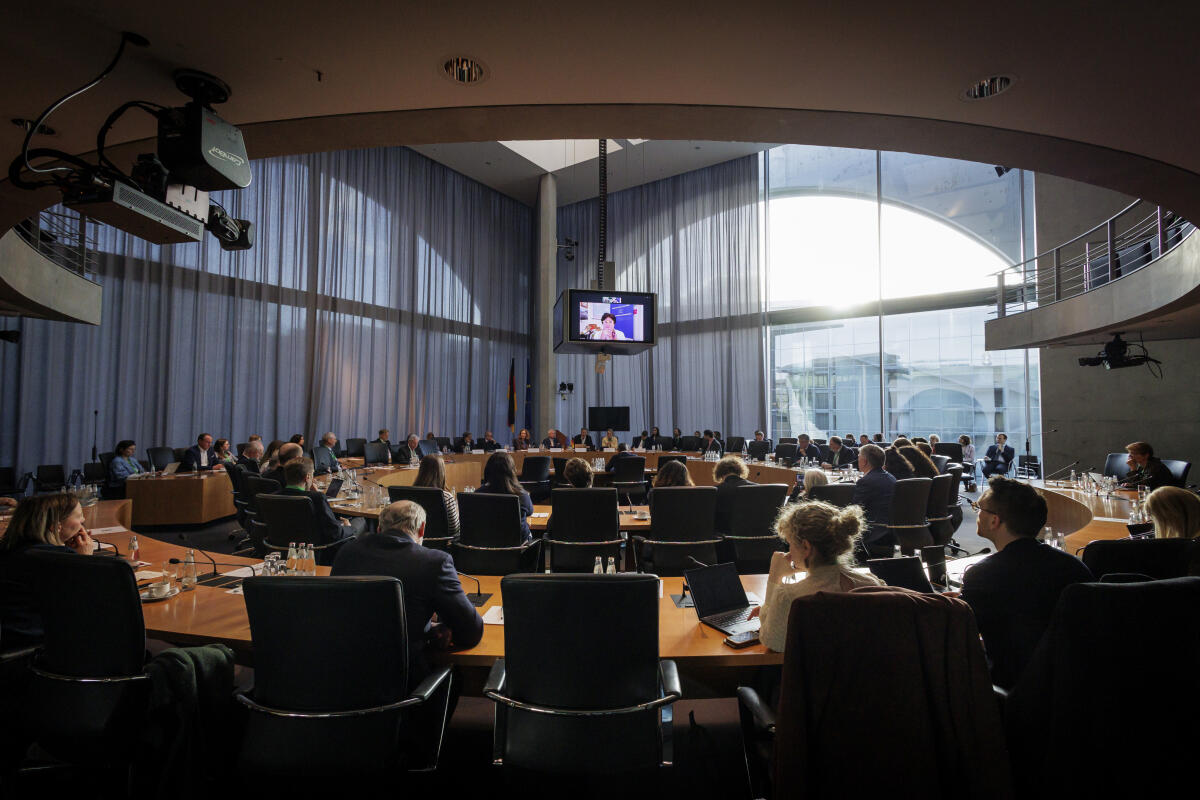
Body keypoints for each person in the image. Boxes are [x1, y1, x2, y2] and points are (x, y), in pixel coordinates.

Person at [962, 477, 1094, 689]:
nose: (977, 513)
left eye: (979, 507)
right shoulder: (1075, 567)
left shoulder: (982, 575)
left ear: (994, 521)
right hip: (1074, 687)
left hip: (1014, 691)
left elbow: (965, 635)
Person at [331, 500, 482, 682]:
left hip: (342, 677)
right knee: (455, 677)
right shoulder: (433, 562)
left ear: (379, 528)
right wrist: (433, 629)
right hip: (402, 685)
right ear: (422, 530)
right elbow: (471, 632)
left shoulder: (347, 552)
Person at [749, 500, 883, 652]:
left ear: (806, 547)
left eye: (790, 544)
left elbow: (771, 641)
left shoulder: (790, 597)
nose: (789, 551)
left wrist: (774, 578)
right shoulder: (872, 584)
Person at [0, 494, 97, 645]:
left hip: (9, 634)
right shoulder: (58, 559)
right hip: (39, 642)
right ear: (55, 525)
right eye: (79, 516)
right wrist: (84, 561)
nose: (83, 521)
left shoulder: (10, 549)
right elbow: (87, 602)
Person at [275, 457, 358, 551]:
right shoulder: (316, 498)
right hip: (317, 549)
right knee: (359, 522)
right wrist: (349, 527)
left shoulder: (272, 497)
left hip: (280, 548)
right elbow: (335, 534)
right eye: (312, 474)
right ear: (307, 477)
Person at [476, 452, 534, 542]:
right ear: (512, 471)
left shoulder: (477, 494)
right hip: (518, 548)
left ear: (487, 470)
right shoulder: (521, 495)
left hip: (485, 546)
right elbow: (530, 512)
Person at [853, 444, 897, 558]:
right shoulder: (891, 477)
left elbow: (855, 509)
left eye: (859, 457)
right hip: (892, 530)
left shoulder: (865, 482)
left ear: (864, 461)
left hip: (875, 531)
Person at [412, 454, 462, 537]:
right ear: (441, 472)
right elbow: (454, 529)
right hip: (443, 545)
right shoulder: (446, 497)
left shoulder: (410, 493)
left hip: (417, 542)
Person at [713, 456, 755, 535]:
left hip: (724, 539)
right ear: (740, 471)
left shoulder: (715, 490)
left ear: (720, 473)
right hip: (751, 535)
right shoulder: (757, 487)